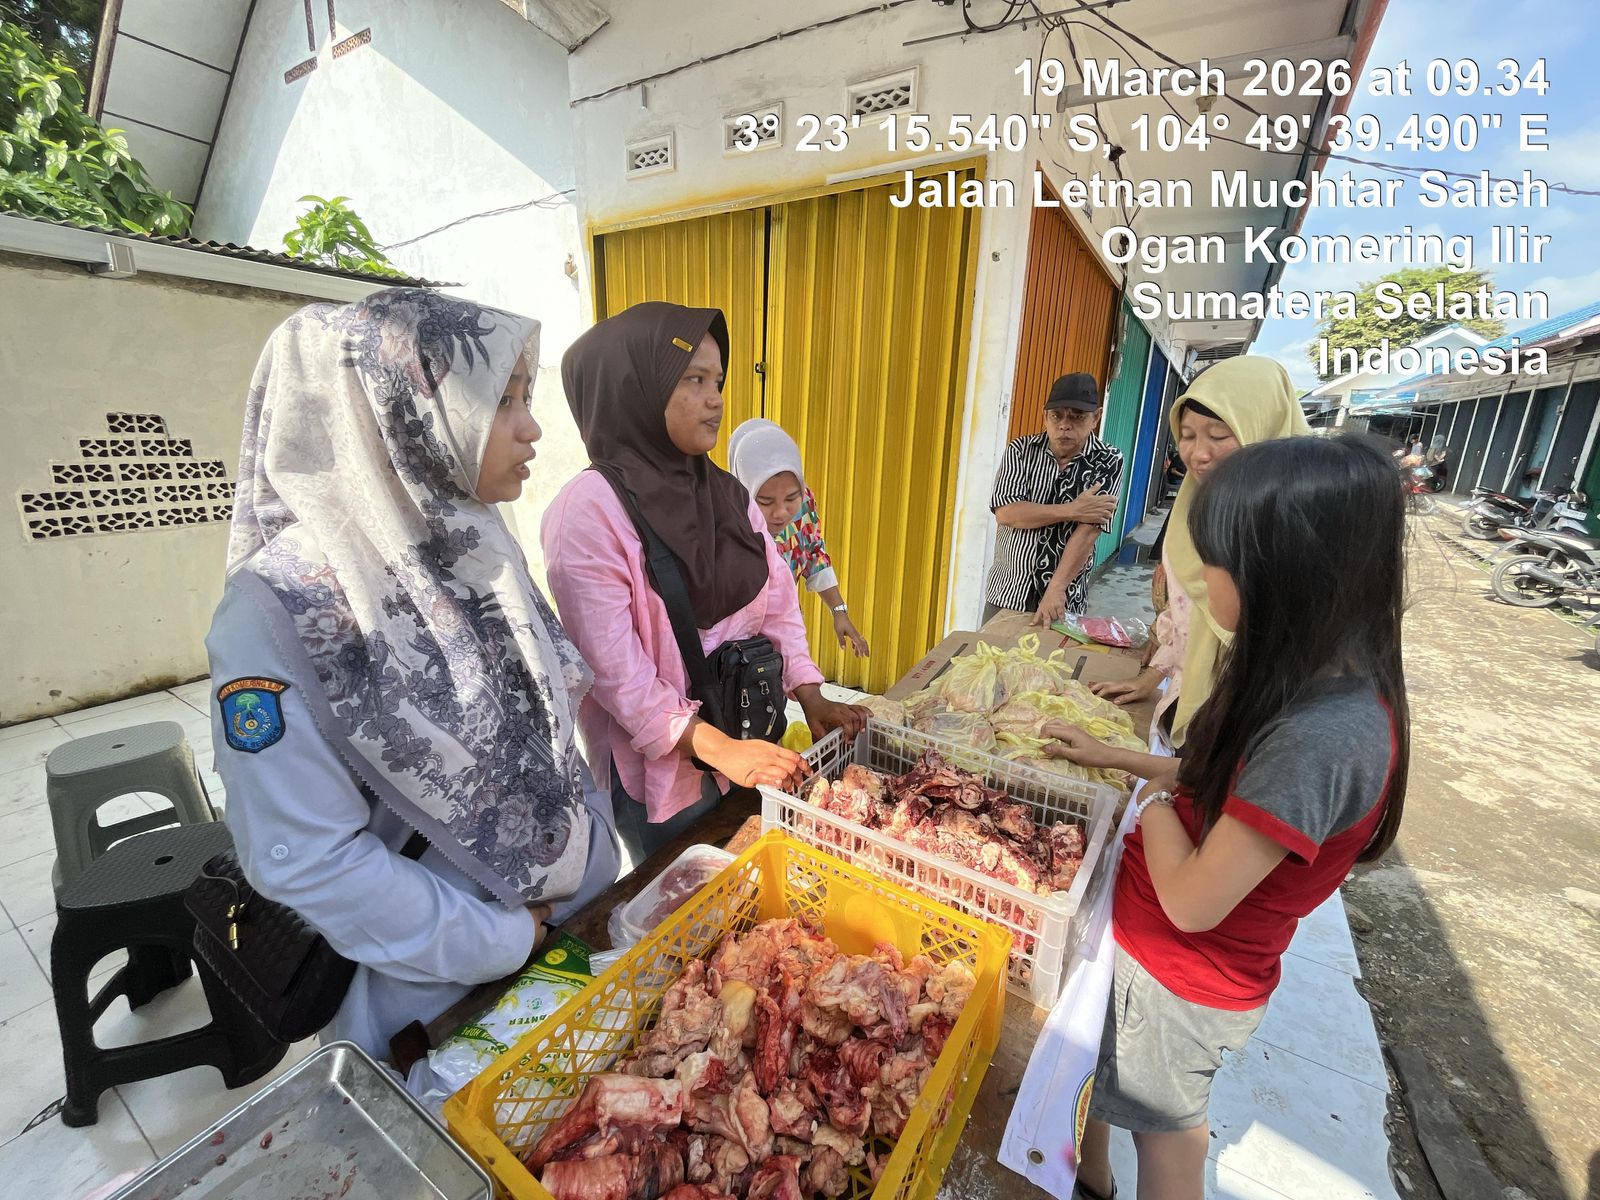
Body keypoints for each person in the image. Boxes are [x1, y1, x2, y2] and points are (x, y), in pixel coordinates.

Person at [206, 289, 619, 1061]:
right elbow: (309, 859)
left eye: (524, 397)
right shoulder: (281, 615)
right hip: (438, 993)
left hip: (566, 924)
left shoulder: (471, 545)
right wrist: (504, 938)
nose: (532, 427)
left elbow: (550, 720)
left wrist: (588, 858)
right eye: (502, 400)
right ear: (398, 414)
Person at [1072, 434, 1410, 1200]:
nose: (1196, 578)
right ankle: (1090, 1179)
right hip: (1164, 960)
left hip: (1180, 975)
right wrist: (1118, 758)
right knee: (1116, 1090)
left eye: (1214, 558)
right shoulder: (1309, 678)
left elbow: (1193, 900)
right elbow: (1215, 786)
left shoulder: (1322, 737)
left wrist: (1149, 802)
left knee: (1167, 1129)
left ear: (1282, 570)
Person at [542, 302, 868, 865]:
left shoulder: (728, 493)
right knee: (681, 895)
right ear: (636, 389)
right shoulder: (588, 511)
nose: (716, 398)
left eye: (717, 380)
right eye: (693, 379)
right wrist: (722, 750)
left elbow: (778, 602)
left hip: (745, 733)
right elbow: (617, 674)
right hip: (664, 773)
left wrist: (810, 694)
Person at [1047, 357, 1311, 765]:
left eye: (1219, 435)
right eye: (1186, 435)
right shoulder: (1195, 505)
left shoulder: (1297, 532)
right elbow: (1185, 609)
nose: (1198, 454)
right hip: (1188, 715)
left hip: (1245, 730)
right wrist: (1154, 676)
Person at [985, 372, 1123, 627]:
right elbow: (1007, 513)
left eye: (1077, 417)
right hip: (1007, 591)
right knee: (991, 651)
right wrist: (1073, 510)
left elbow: (1089, 530)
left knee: (1051, 654)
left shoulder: (1108, 460)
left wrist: (1056, 589)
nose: (1064, 425)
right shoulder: (1021, 451)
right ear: (1045, 416)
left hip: (1064, 599)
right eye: (1057, 416)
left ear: (1096, 418)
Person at [727, 418, 870, 657]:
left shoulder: (803, 505)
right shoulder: (725, 517)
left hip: (785, 634)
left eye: (791, 497)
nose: (781, 513)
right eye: (765, 501)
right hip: (735, 646)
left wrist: (839, 611)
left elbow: (813, 553)